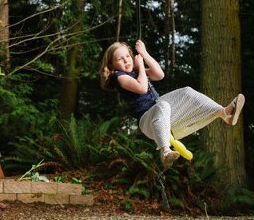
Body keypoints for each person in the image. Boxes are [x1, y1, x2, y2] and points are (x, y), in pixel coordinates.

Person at [100, 39, 245, 169]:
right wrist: (141, 66)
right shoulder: (118, 77)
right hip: (147, 121)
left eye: (127, 56)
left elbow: (159, 74)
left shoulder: (137, 70)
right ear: (112, 65)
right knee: (163, 106)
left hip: (160, 112)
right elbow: (142, 88)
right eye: (120, 59)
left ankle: (224, 113)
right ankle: (165, 151)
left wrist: (144, 54)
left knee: (187, 92)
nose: (126, 61)